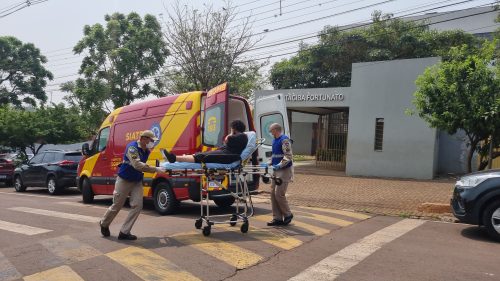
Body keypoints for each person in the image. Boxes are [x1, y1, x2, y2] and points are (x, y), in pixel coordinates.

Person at [99, 130, 166, 240]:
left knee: (137, 205)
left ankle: (124, 232)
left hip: (137, 181)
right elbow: (137, 165)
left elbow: (142, 166)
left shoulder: (146, 151)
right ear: (144, 138)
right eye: (151, 140)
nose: (152, 142)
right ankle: (104, 223)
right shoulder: (132, 148)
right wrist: (156, 169)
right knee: (117, 205)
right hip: (124, 179)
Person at [162, 120, 248, 164]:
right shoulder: (240, 136)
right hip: (227, 154)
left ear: (235, 128)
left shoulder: (242, 136)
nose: (231, 129)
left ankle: (174, 159)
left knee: (203, 156)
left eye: (232, 128)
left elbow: (227, 139)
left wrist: (231, 132)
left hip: (230, 156)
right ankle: (176, 158)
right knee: (201, 154)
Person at [267, 123, 294, 226]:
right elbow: (275, 155)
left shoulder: (284, 140)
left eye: (271, 131)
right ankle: (277, 218)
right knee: (273, 194)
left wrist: (279, 165)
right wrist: (269, 162)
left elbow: (288, 156)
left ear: (275, 130)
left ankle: (288, 214)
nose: (270, 133)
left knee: (279, 194)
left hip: (284, 170)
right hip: (276, 170)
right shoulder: (275, 140)